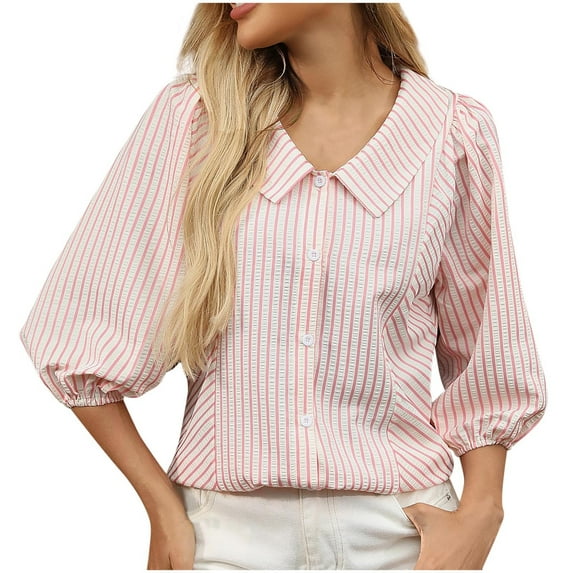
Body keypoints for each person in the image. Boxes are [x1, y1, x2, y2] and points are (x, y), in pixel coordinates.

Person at [19, 2, 546, 570]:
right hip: (223, 541)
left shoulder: (453, 132)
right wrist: (162, 508)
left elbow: (486, 346)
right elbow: (79, 336)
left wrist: (482, 512)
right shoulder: (197, 118)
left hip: (404, 534)